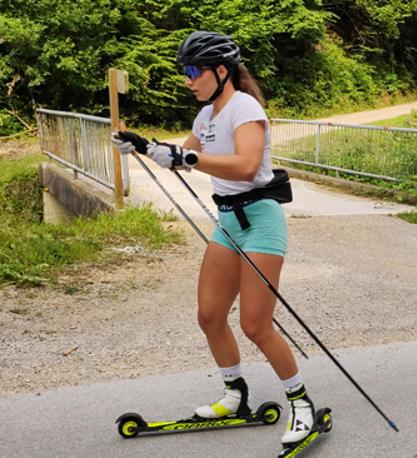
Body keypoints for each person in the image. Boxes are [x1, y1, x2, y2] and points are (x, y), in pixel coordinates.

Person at [111, 30, 316, 449]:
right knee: (209, 315)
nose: (188, 80)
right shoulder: (205, 117)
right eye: (185, 72)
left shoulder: (245, 108)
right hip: (227, 222)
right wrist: (145, 147)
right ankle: (235, 395)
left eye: (193, 71)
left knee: (256, 325)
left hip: (260, 219)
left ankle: (301, 404)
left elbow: (244, 165)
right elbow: (183, 157)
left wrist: (187, 157)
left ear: (221, 71)